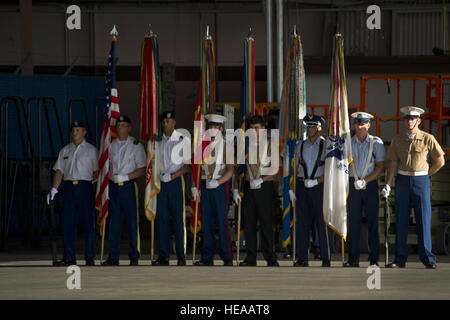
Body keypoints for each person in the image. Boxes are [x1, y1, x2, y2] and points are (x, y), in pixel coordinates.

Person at [384, 106, 445, 269]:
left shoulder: (427, 138)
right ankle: (400, 258)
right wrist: (388, 184)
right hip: (403, 180)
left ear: (419, 121)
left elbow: (440, 160)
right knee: (401, 221)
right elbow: (394, 163)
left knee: (423, 220)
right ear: (405, 121)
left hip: (421, 181)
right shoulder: (398, 139)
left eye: (412, 119)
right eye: (407, 119)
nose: (409, 121)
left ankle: (428, 258)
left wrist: (427, 174)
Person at [47, 121, 98, 266]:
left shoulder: (91, 150)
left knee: (88, 223)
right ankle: (69, 257)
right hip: (69, 187)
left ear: (84, 132)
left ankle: (90, 257)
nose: (74, 133)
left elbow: (97, 171)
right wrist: (54, 189)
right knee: (68, 223)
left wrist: (91, 184)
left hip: (85, 186)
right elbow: (59, 171)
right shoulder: (65, 151)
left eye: (78, 130)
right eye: (73, 130)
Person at [233, 115, 279, 267]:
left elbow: (275, 169)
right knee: (249, 224)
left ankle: (270, 257)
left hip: (264, 187)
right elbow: (237, 169)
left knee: (266, 224)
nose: (254, 131)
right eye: (251, 129)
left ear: (263, 129)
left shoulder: (271, 145)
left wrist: (261, 179)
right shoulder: (244, 146)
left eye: (257, 128)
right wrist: (235, 188)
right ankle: (250, 257)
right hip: (248, 187)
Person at [102, 115, 146, 266]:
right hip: (114, 187)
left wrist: (126, 177)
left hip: (128, 186)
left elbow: (142, 169)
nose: (120, 128)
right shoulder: (111, 145)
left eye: (123, 125)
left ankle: (134, 256)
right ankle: (113, 256)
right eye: (118, 125)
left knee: (132, 222)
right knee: (114, 222)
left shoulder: (136, 145)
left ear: (129, 127)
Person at [192, 114, 234, 266]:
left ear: (221, 129)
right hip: (205, 186)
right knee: (207, 222)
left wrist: (218, 182)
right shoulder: (201, 145)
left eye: (216, 127)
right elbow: (195, 168)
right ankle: (207, 257)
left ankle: (227, 256)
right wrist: (194, 186)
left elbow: (230, 170)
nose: (213, 130)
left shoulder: (227, 146)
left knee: (222, 223)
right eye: (210, 127)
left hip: (219, 187)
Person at [344, 112, 385, 268]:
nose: (359, 127)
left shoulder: (376, 143)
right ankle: (353, 258)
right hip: (353, 186)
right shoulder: (348, 143)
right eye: (357, 124)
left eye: (362, 124)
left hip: (369, 186)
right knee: (353, 223)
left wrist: (365, 181)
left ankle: (374, 258)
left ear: (369, 125)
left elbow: (380, 167)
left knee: (372, 222)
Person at [289, 114, 331, 267]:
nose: (310, 129)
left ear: (319, 128)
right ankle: (302, 257)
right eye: (308, 126)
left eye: (313, 126)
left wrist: (317, 181)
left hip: (319, 187)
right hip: (302, 186)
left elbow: (330, 171)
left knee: (322, 222)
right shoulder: (300, 145)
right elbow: (295, 168)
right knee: (303, 224)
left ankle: (326, 257)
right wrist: (291, 189)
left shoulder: (326, 145)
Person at [152, 111, 189, 266]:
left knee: (178, 219)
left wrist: (172, 177)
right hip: (161, 182)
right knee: (162, 219)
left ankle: (181, 255)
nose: (166, 124)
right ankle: (163, 255)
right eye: (164, 122)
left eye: (169, 121)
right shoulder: (158, 142)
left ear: (174, 123)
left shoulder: (183, 141)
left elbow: (187, 166)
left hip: (174, 181)